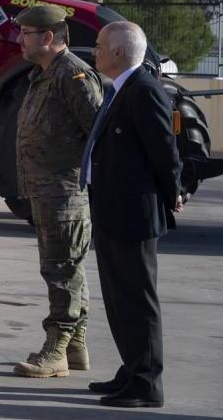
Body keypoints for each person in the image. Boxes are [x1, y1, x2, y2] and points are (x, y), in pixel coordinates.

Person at [83, 21, 184, 408]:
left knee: (138, 301)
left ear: (119, 52)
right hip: (112, 210)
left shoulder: (144, 91)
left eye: (99, 46)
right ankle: (131, 370)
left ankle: (146, 384)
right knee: (119, 299)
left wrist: (173, 193)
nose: (94, 51)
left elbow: (164, 150)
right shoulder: (121, 89)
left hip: (133, 214)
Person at [10, 5, 102, 378]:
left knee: (62, 271)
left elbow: (98, 133)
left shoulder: (74, 75)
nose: (19, 39)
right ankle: (76, 345)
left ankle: (56, 350)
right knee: (66, 269)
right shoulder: (43, 74)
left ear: (48, 38)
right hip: (47, 193)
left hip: (65, 194)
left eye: (26, 33)